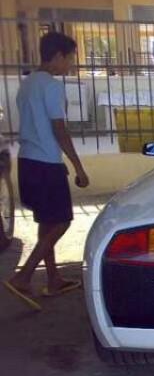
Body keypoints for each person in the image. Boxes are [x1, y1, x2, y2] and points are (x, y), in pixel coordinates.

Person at [3, 32, 90, 311]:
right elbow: (59, 129)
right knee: (62, 221)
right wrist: (78, 166)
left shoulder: (26, 85)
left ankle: (53, 278)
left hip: (29, 160)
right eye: (70, 59)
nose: (70, 65)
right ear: (57, 56)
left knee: (47, 222)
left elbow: (38, 127)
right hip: (45, 165)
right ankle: (24, 275)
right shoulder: (51, 86)